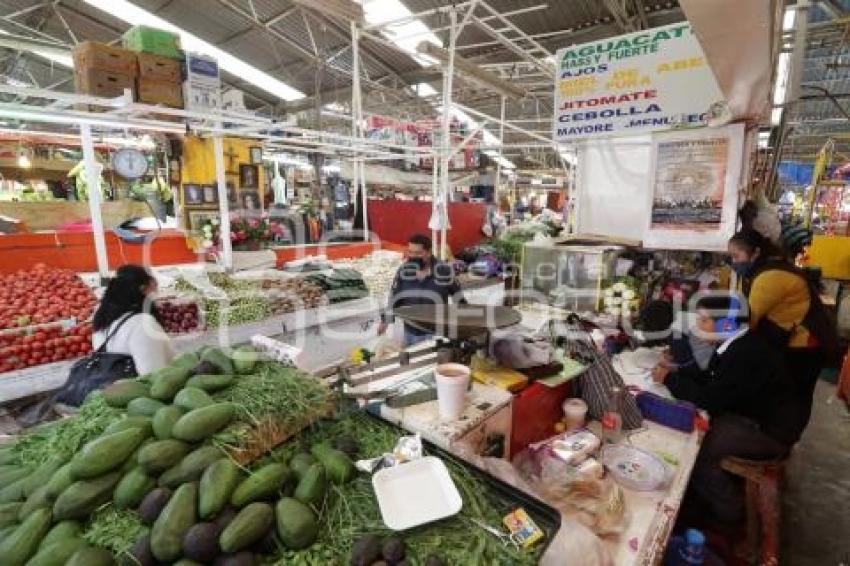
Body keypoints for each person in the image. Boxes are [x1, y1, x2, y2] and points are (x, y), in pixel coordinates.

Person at [652, 295, 800, 527]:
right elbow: (711, 377)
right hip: (752, 415)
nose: (697, 327)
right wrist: (676, 370)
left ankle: (729, 512)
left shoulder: (744, 354)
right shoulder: (736, 343)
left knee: (697, 451)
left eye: (704, 321)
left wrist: (670, 379)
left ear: (727, 325)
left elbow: (710, 399)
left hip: (769, 432)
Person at [728, 228, 835, 430]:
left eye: (736, 256)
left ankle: (779, 447)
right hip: (787, 339)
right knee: (784, 395)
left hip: (805, 345)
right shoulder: (760, 270)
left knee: (794, 397)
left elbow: (747, 320)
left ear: (756, 253)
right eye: (730, 257)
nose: (733, 262)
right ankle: (777, 441)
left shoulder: (771, 277)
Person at [377, 234, 465, 347]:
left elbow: (459, 298)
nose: (412, 256)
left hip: (437, 333)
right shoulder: (403, 271)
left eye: (418, 253)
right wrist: (385, 321)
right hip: (411, 332)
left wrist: (463, 325)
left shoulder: (444, 271)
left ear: (428, 252)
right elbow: (394, 296)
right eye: (410, 252)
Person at [92, 264, 175, 375]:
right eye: (154, 288)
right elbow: (154, 376)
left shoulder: (103, 319)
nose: (157, 295)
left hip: (111, 388)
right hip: (137, 389)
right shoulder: (142, 324)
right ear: (143, 289)